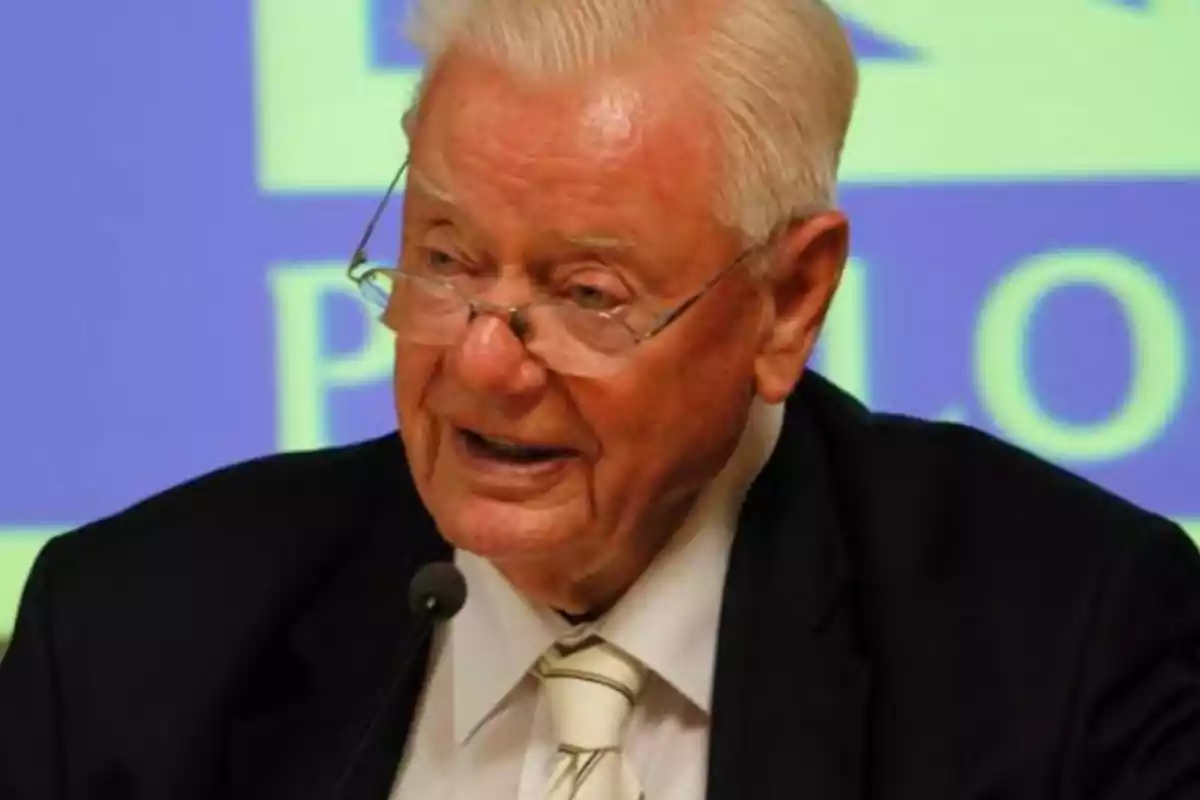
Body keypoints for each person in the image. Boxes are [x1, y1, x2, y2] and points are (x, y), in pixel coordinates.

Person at [3, 0, 1199, 797]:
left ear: (790, 299)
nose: (480, 363)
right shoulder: (124, 640)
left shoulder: (1067, 647)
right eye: (446, 261)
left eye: (586, 291)